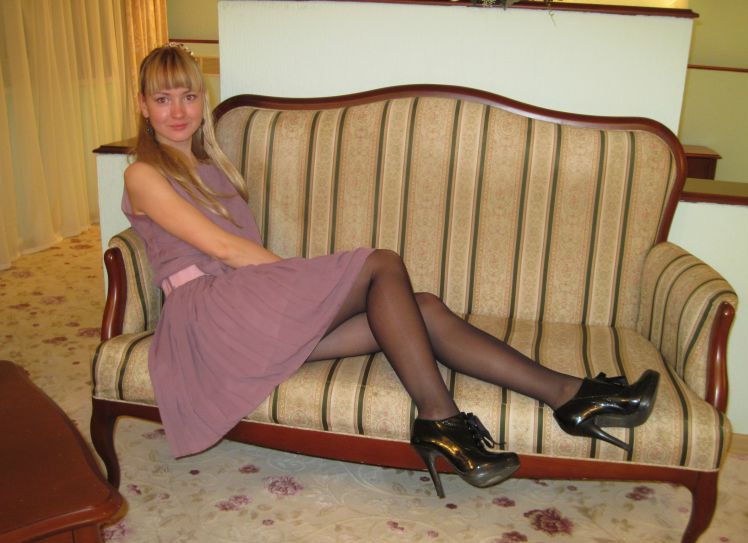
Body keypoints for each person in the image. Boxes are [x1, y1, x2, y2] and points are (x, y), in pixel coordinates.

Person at [123, 43, 660, 498]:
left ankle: (568, 394)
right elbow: (224, 247)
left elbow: (241, 252)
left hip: (247, 314)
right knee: (380, 263)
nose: (178, 110)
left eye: (188, 96)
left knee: (421, 308)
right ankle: (438, 416)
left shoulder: (213, 168)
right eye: (163, 99)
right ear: (143, 106)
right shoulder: (143, 174)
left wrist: (297, 286)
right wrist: (303, 280)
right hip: (212, 318)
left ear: (202, 100)